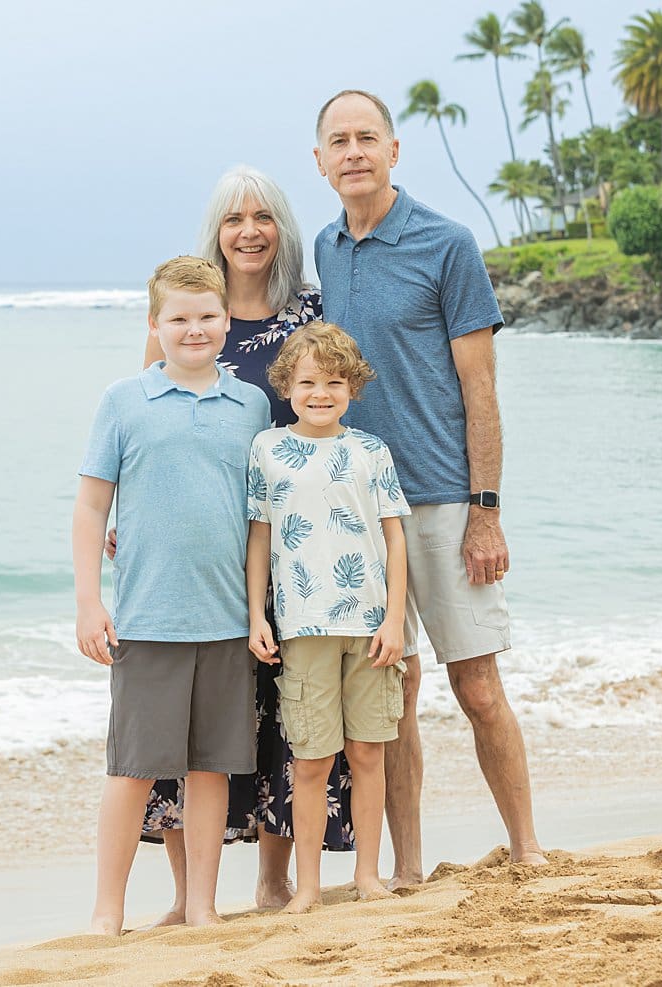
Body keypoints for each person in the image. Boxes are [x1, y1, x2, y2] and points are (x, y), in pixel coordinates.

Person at [310, 89, 549, 886]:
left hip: (446, 501)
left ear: (393, 151)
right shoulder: (326, 248)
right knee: (393, 700)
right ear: (320, 160)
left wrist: (487, 511)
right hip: (358, 512)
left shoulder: (448, 244)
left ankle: (528, 849)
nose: (353, 152)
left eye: (366, 138)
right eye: (338, 141)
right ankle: (406, 870)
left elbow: (481, 389)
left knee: (478, 686)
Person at [133, 166, 357, 920]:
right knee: (186, 717)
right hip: (197, 552)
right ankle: (184, 895)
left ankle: (271, 880)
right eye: (234, 219)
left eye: (263, 215)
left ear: (282, 227)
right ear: (216, 231)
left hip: (289, 547)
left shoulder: (309, 315)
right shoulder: (190, 312)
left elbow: (343, 412)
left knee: (279, 712)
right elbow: (143, 427)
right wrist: (121, 519)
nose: (250, 230)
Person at [73, 255, 270, 934]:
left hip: (225, 620)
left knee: (210, 769)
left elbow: (257, 520)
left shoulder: (251, 404)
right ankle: (108, 910)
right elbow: (92, 507)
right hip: (148, 619)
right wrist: (89, 602)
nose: (195, 329)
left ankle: (203, 905)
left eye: (208, 316)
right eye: (179, 318)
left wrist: (258, 612)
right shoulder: (123, 401)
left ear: (226, 320)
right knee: (131, 770)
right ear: (154, 324)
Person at [245, 322, 409, 913]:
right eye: (308, 381)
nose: (321, 393)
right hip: (302, 627)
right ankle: (308, 886)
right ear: (286, 384)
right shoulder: (267, 449)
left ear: (353, 388)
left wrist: (395, 620)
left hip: (371, 629)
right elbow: (259, 540)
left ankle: (368, 874)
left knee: (368, 753)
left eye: (335, 382)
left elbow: (395, 540)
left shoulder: (371, 451)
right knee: (310, 760)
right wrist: (255, 615)